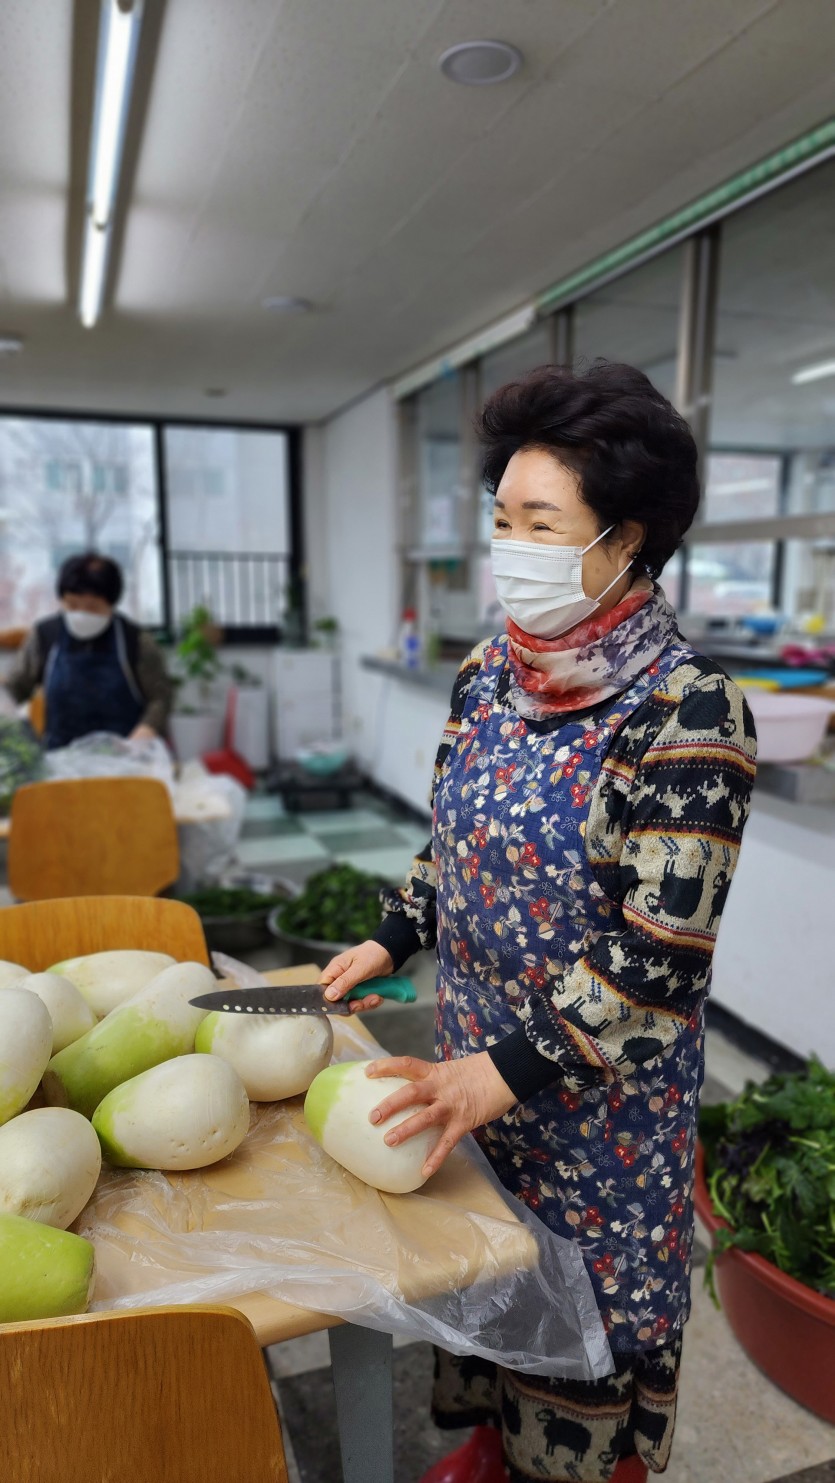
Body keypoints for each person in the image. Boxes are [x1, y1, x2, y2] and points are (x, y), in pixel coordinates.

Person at [320, 362, 757, 1483]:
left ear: (627, 539)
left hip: (595, 1124)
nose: (510, 543)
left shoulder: (688, 711)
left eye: (540, 521)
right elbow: (452, 845)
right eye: (500, 516)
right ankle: (487, 1445)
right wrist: (392, 934)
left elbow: (656, 957)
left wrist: (496, 1073)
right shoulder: (488, 678)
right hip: (477, 1075)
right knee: (489, 1297)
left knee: (582, 1345)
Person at [6, 552, 173, 750]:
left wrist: (146, 730)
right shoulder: (45, 636)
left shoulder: (135, 641)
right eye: (72, 604)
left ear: (111, 603)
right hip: (60, 759)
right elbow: (16, 686)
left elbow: (160, 697)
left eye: (93, 607)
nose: (81, 614)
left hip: (126, 758)